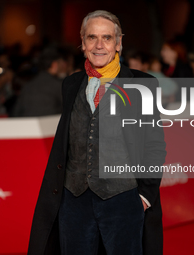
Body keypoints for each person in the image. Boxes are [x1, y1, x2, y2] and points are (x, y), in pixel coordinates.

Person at [28, 10, 166, 255]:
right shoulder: (70, 84)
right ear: (82, 42)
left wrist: (144, 196)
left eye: (107, 38)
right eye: (92, 37)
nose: (99, 45)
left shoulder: (143, 85)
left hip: (123, 199)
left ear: (119, 43)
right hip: (74, 201)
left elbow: (154, 145)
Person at [13, 47, 63, 117]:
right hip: (51, 125)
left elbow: (16, 112)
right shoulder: (59, 86)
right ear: (55, 65)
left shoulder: (28, 86)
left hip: (27, 125)